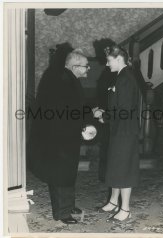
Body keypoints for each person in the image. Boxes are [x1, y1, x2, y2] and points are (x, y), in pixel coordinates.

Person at [27, 44, 90, 224]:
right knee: (61, 174)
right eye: (86, 66)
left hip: (66, 136)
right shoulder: (62, 80)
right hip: (59, 138)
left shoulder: (67, 78)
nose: (88, 69)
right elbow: (61, 111)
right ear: (74, 67)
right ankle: (62, 213)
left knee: (68, 173)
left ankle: (68, 206)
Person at [94, 45, 140, 222]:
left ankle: (125, 209)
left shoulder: (126, 78)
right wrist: (105, 113)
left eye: (109, 60)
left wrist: (104, 117)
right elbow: (118, 105)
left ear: (119, 59)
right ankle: (113, 201)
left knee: (124, 168)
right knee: (115, 165)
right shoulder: (120, 76)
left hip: (125, 130)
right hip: (119, 129)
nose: (107, 64)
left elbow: (124, 110)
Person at [93, 38, 117, 182]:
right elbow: (102, 92)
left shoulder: (117, 72)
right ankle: (107, 177)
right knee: (106, 145)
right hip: (105, 113)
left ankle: (110, 177)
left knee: (110, 147)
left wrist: (106, 114)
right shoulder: (108, 70)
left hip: (112, 115)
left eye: (107, 52)